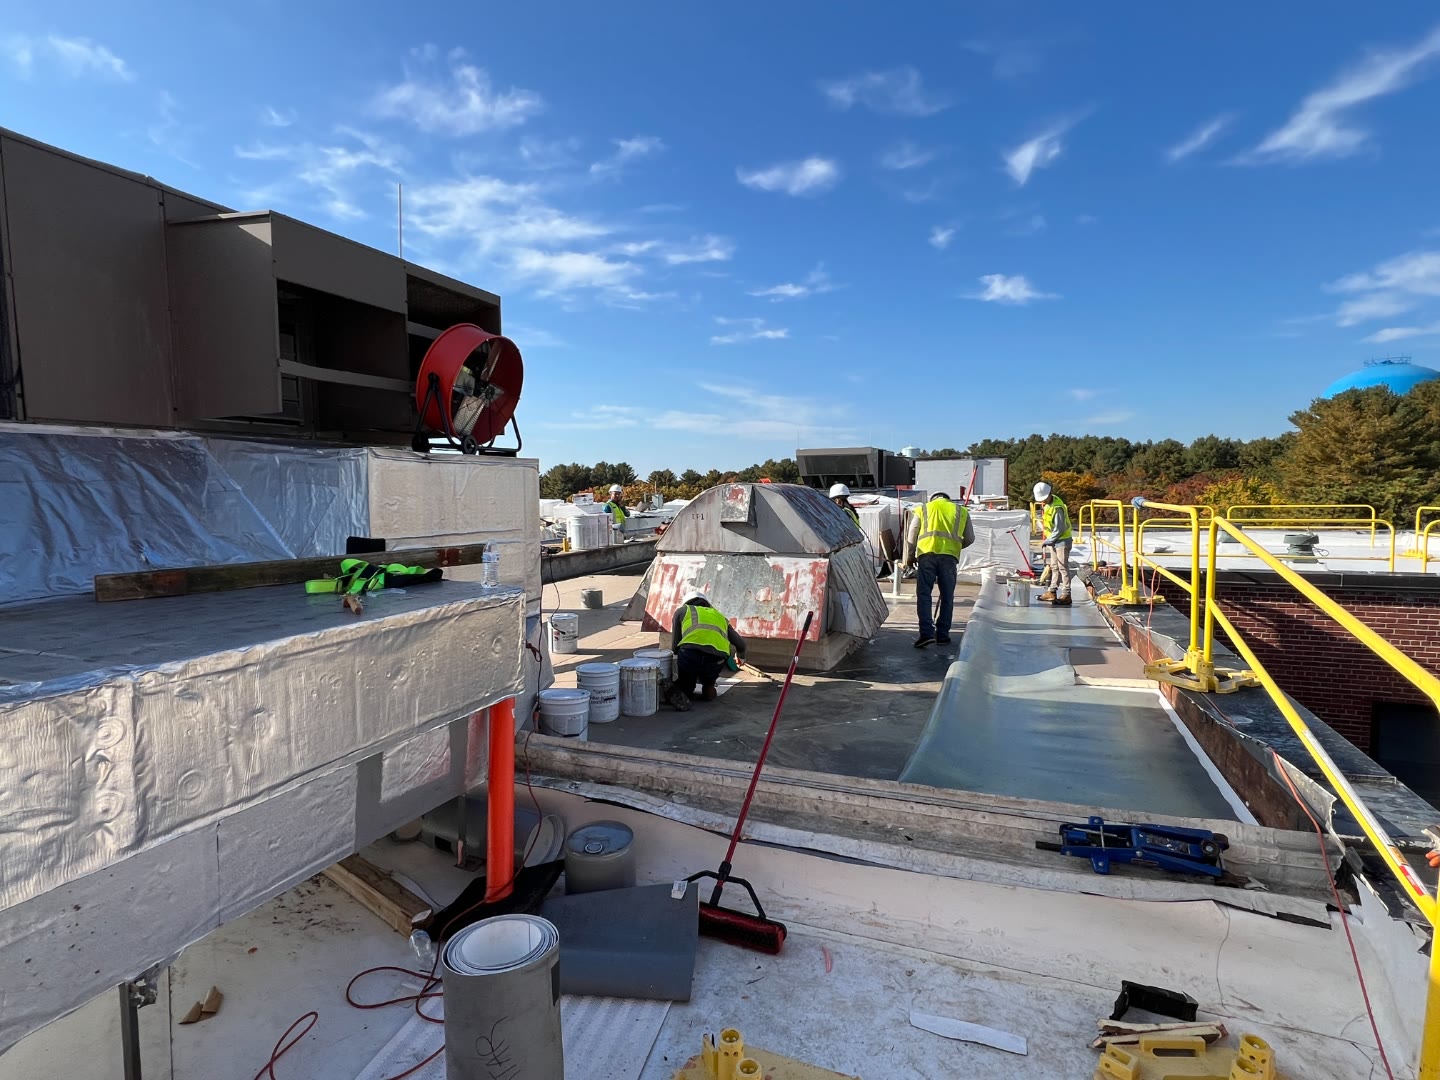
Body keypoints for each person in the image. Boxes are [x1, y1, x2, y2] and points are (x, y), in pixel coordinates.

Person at [903, 492, 975, 648]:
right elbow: (970, 538)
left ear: (933, 499)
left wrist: (909, 557)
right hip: (949, 558)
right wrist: (954, 547)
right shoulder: (961, 511)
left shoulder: (924, 509)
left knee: (924, 595)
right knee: (947, 597)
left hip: (926, 555)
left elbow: (911, 535)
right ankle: (942, 635)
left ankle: (926, 634)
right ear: (947, 499)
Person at [667, 592, 747, 710]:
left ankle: (687, 689)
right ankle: (709, 686)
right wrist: (741, 657)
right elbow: (741, 644)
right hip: (716, 658)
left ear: (687, 603)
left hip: (690, 654)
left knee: (686, 686)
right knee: (709, 680)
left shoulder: (683, 611)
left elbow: (675, 646)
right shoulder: (720, 616)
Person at [1033, 481, 1073, 606]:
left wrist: (1048, 540)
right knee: (1054, 567)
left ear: (1050, 493)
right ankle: (1052, 591)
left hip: (1062, 541)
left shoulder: (1057, 507)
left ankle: (1066, 594)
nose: (1042, 501)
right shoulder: (1047, 505)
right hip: (1054, 540)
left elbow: (1060, 529)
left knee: (1063, 567)